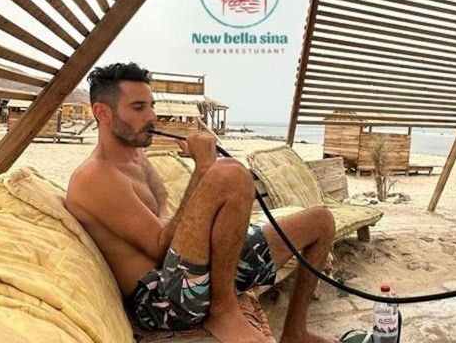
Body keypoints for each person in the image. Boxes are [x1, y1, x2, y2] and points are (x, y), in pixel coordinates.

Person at [65, 62, 336, 343]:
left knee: (321, 221)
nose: (152, 116)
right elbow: (160, 249)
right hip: (162, 300)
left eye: (151, 105)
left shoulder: (137, 158)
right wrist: (203, 169)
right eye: (138, 107)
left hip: (191, 273)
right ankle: (224, 310)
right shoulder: (94, 178)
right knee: (229, 172)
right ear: (103, 113)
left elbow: (173, 224)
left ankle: (295, 332)